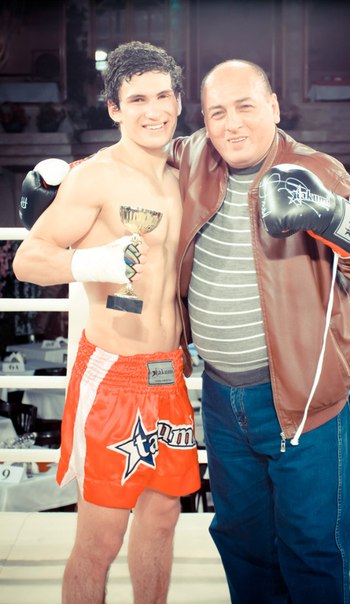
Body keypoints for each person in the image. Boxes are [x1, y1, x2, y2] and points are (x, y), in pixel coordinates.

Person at [170, 60, 350, 603]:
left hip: (302, 399)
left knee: (312, 552)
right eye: (217, 112)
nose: (232, 124)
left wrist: (334, 217)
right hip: (221, 397)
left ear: (273, 108)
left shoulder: (316, 169)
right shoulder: (196, 156)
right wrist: (70, 176)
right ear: (204, 121)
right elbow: (139, 151)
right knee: (242, 545)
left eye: (245, 106)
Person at [13, 41, 200, 604]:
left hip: (167, 374)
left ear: (178, 100)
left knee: (163, 519)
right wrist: (90, 262)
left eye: (163, 96)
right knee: (100, 539)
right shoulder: (94, 177)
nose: (154, 110)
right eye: (137, 99)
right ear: (114, 109)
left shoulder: (184, 176)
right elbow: (28, 258)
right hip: (113, 377)